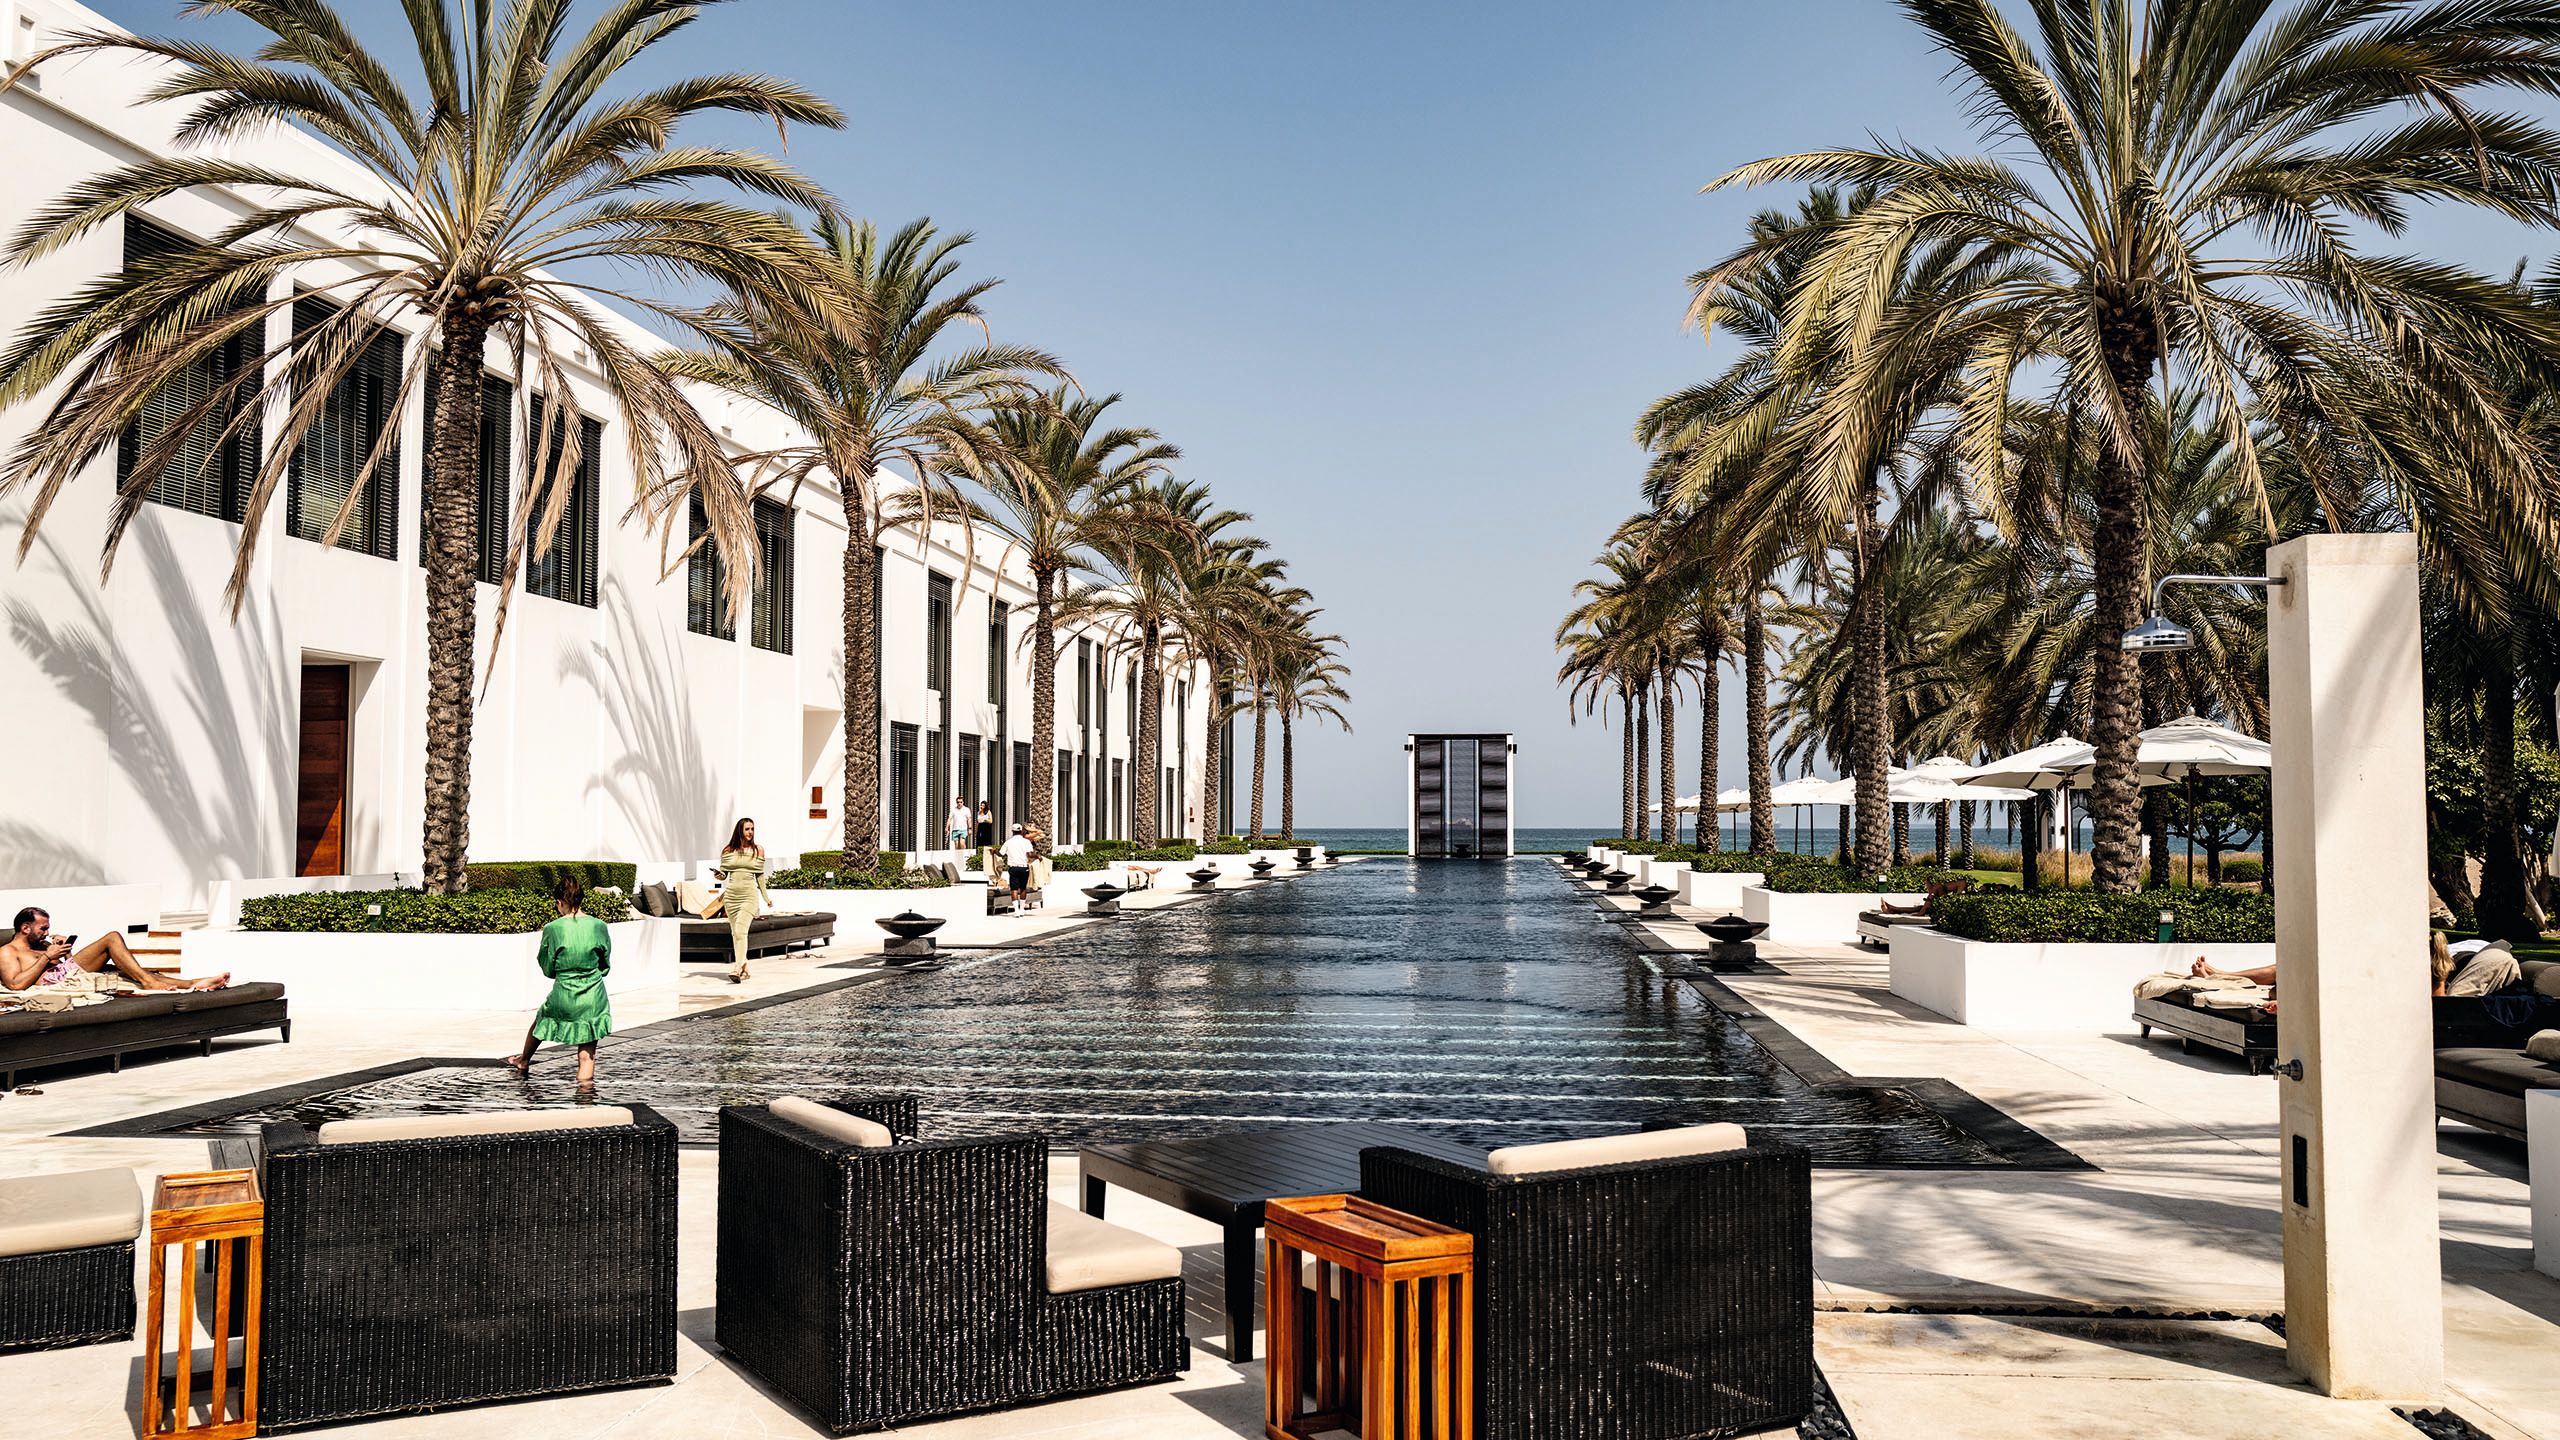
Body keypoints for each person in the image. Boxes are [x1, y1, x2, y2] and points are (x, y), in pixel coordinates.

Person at [504, 876, 612, 1088]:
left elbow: (547, 966)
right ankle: (585, 1102)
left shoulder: (553, 928)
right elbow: (605, 963)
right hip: (593, 995)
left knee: (542, 1018)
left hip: (564, 992)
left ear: (560, 902)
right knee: (586, 1057)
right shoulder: (599, 926)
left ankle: (523, 1060)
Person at [1, 907, 229, 992]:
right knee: (112, 938)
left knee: (129, 972)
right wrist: (46, 958)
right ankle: (152, 982)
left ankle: (193, 983)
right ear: (24, 928)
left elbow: (67, 967)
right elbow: (15, 984)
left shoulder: (41, 946)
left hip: (65, 974)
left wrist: (62, 951)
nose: (46, 933)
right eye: (43, 928)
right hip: (52, 982)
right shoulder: (8, 952)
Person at [717, 817, 770, 984]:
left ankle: (737, 968)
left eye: (752, 829)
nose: (750, 832)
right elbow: (724, 873)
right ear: (739, 830)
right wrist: (719, 875)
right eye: (747, 829)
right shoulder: (727, 850)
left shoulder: (758, 850)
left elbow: (760, 875)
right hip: (731, 896)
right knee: (736, 933)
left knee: (740, 931)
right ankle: (745, 968)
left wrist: (766, 897)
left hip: (749, 896)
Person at [1000, 823, 1037, 914]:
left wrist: (993, 851)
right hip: (1024, 868)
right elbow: (1030, 855)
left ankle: (1016, 910)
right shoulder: (1026, 842)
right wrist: (1038, 856)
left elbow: (1001, 853)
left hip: (1013, 868)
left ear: (1012, 831)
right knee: (1023, 888)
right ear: (1021, 831)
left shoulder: (1008, 842)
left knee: (1014, 889)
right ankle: (1022, 909)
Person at [973, 802, 997, 875]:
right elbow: (977, 822)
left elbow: (991, 821)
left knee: (986, 843)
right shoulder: (978, 812)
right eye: (981, 805)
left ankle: (988, 859)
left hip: (986, 827)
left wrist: (984, 820)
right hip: (980, 828)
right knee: (979, 843)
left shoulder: (988, 812)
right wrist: (976, 832)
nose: (982, 806)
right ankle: (979, 858)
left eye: (983, 805)